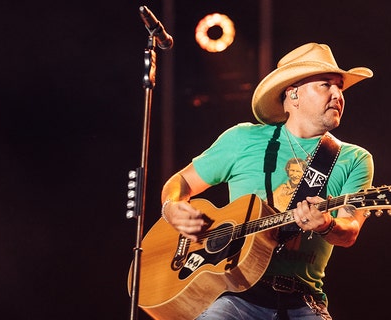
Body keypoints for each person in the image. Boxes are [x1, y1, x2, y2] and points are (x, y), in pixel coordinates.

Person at [160, 42, 374, 319]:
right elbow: (181, 183)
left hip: (303, 302)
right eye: (325, 84)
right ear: (293, 94)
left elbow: (349, 231)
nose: (337, 94)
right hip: (233, 297)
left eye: (340, 87)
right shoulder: (243, 138)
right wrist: (172, 207)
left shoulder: (353, 158)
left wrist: (327, 224)